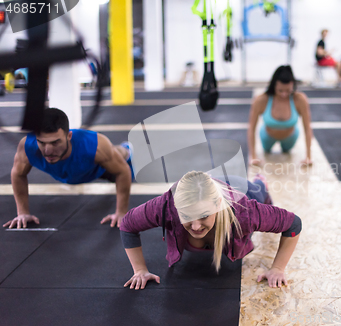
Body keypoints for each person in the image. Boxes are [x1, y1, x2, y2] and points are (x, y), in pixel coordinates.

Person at [120, 171, 301, 289]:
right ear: (176, 208)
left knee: (259, 189)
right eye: (188, 216)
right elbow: (127, 225)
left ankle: (260, 181)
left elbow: (294, 224)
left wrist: (277, 268)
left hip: (243, 188)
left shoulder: (245, 212)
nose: (196, 226)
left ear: (217, 205)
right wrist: (140, 270)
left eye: (204, 215)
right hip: (206, 185)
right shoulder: (165, 206)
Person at [3, 108, 134, 229]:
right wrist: (22, 213)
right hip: (71, 171)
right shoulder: (27, 147)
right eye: (42, 142)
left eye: (55, 142)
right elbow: (18, 174)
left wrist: (121, 212)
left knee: (118, 157)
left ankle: (126, 150)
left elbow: (122, 171)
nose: (48, 151)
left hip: (96, 169)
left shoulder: (95, 145)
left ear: (69, 136)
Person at [248, 65, 313, 166]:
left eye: (288, 91)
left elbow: (307, 128)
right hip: (267, 137)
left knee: (286, 152)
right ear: (274, 86)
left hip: (290, 137)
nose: (284, 94)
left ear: (293, 86)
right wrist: (253, 156)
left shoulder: (300, 99)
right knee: (267, 151)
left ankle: (286, 146)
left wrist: (308, 157)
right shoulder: (261, 100)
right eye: (280, 91)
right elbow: (251, 128)